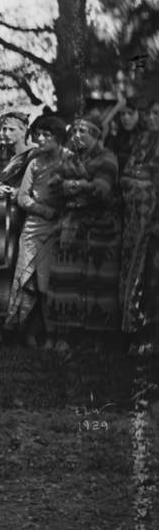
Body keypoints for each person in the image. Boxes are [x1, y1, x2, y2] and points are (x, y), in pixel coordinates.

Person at [43, 113, 122, 352]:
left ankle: (96, 338)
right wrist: (79, 185)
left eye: (83, 132)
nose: (76, 136)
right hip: (72, 225)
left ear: (96, 135)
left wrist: (73, 185)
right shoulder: (70, 159)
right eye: (74, 131)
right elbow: (53, 187)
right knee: (67, 278)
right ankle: (68, 333)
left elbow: (103, 191)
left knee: (98, 281)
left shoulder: (108, 158)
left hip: (101, 228)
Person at [3, 116, 69, 347]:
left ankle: (53, 335)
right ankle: (25, 332)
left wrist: (59, 214)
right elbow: (22, 197)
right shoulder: (34, 163)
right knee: (27, 281)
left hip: (60, 229)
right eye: (38, 134)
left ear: (58, 137)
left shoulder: (69, 160)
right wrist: (42, 210)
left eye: (46, 135)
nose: (40, 139)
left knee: (49, 283)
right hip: (33, 228)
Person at [0, 111, 36, 349]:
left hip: (26, 217)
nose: (4, 135)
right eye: (2, 130)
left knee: (25, 271)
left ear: (24, 130)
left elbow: (42, 188)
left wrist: (19, 194)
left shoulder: (35, 155)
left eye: (10, 129)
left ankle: (28, 329)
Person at [119, 96, 159, 355]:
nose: (154, 118)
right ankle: (136, 332)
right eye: (152, 113)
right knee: (139, 273)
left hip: (154, 219)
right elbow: (127, 174)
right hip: (138, 220)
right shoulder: (143, 140)